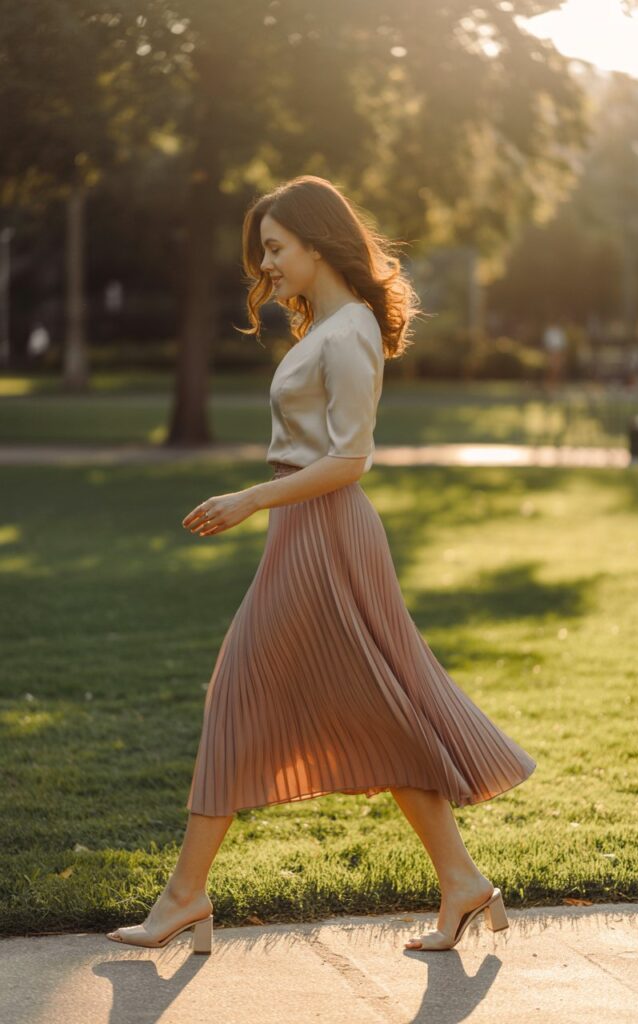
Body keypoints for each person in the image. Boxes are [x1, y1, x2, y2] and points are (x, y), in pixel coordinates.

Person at [106, 175, 536, 955]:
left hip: (326, 533)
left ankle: (184, 898)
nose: (266, 266)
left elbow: (351, 460)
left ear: (317, 242)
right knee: (375, 706)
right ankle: (463, 883)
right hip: (304, 531)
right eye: (263, 252)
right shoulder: (328, 329)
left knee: (242, 687)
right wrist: (265, 503)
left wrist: (250, 499)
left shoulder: (351, 333)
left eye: (275, 248)